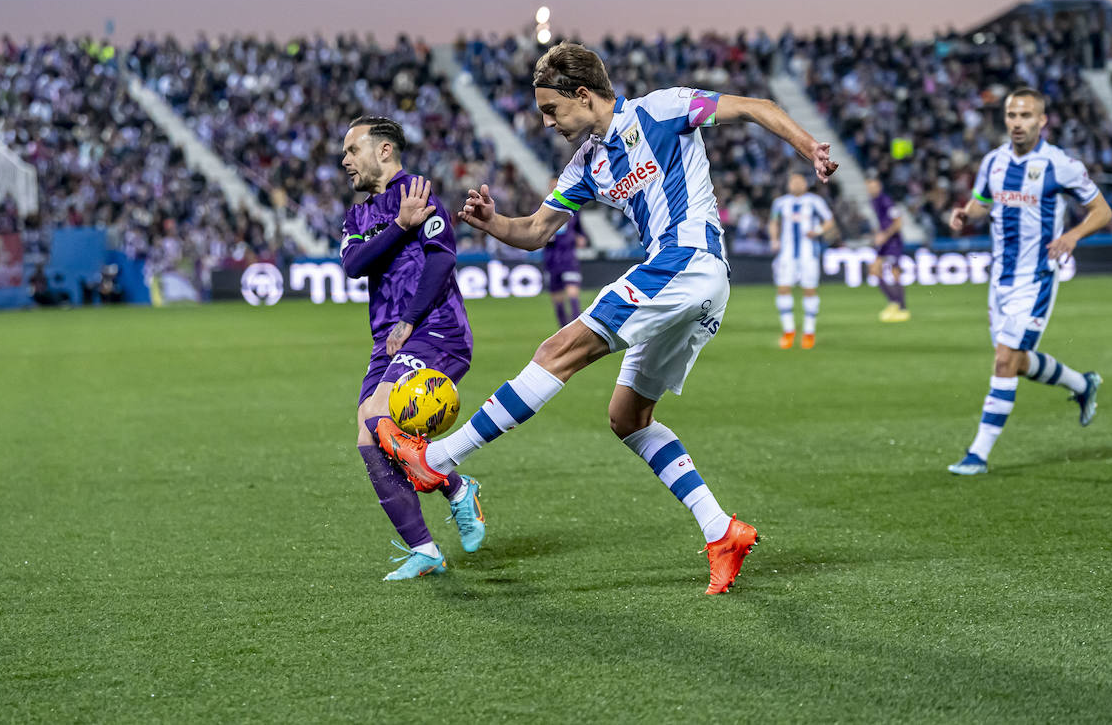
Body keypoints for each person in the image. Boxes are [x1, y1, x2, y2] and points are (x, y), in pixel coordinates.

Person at [375, 42, 837, 594]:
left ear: (584, 95)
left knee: (557, 352)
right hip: (690, 282)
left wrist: (811, 148)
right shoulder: (587, 163)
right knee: (628, 417)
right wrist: (494, 222)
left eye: (552, 110)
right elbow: (537, 232)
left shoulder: (663, 109)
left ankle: (439, 458)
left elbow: (756, 105)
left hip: (687, 259)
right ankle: (722, 531)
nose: (547, 123)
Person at [340, 116, 486, 580]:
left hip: (435, 329)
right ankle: (425, 550)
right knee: (368, 435)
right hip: (389, 339)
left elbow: (443, 258)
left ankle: (457, 487)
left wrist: (408, 320)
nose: (345, 160)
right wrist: (400, 227)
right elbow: (354, 264)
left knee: (377, 412)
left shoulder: (419, 194)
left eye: (352, 150)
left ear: (384, 150)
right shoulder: (360, 213)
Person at [946, 87, 1111, 475]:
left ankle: (978, 454)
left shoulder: (1060, 165)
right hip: (999, 279)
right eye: (1012, 115)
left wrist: (1072, 235)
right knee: (1016, 361)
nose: (1017, 123)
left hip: (1035, 278)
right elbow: (983, 201)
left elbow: (1101, 211)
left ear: (1042, 121)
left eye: (1026, 116)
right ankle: (1083, 384)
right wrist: (966, 214)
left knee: (1003, 359)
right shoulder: (993, 161)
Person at [768, 173, 835, 349]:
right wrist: (774, 239)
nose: (796, 184)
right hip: (786, 254)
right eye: (793, 181)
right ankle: (788, 331)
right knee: (783, 288)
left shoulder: (814, 201)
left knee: (809, 290)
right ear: (789, 184)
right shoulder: (780, 203)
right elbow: (774, 222)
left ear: (805, 184)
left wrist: (818, 230)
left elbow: (829, 221)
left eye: (799, 181)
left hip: (809, 254)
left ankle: (808, 332)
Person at [542, 179, 588, 327]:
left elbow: (580, 231)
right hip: (551, 259)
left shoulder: (573, 208)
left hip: (568, 258)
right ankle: (563, 329)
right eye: (552, 187)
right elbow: (538, 232)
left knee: (573, 292)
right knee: (557, 298)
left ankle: (575, 329)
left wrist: (581, 238)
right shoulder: (543, 210)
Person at [865, 176, 909, 321]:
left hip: (893, 241)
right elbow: (884, 222)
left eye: (874, 186)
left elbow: (898, 222)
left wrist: (885, 234)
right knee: (874, 270)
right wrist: (878, 233)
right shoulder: (874, 201)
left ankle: (902, 308)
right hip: (885, 241)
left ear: (879, 186)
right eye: (869, 186)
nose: (872, 189)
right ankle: (894, 303)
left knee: (894, 272)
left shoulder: (886, 200)